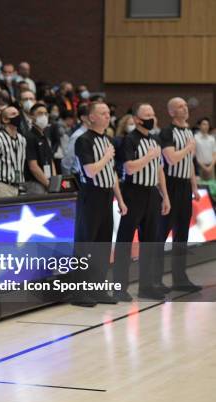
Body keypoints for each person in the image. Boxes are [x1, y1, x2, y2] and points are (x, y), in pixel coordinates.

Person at [113, 103, 171, 301]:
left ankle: (146, 286)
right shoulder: (129, 140)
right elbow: (129, 168)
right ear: (137, 119)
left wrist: (165, 196)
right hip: (133, 193)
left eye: (153, 114)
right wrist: (148, 157)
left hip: (152, 193)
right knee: (125, 242)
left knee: (150, 242)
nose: (151, 117)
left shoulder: (155, 140)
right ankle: (120, 288)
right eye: (147, 114)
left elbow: (160, 170)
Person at [73, 102, 127, 307]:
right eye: (102, 113)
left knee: (103, 245)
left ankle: (98, 288)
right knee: (86, 243)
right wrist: (106, 156)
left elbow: (112, 174)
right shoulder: (83, 140)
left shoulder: (107, 140)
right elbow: (91, 171)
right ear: (91, 117)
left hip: (106, 197)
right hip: (91, 196)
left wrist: (120, 199)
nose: (107, 116)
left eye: (108, 113)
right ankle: (79, 292)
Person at [153, 97, 202, 294]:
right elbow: (171, 159)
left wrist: (195, 186)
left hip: (184, 187)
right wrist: (189, 148)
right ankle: (154, 279)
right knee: (162, 234)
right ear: (172, 112)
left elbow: (188, 162)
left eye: (185, 105)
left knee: (182, 235)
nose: (185, 108)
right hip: (170, 186)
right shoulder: (166, 132)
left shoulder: (189, 131)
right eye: (180, 106)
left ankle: (180, 278)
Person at [0, 106, 26, 198]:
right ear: (5, 119)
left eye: (18, 114)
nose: (17, 116)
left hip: (18, 186)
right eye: (13, 114)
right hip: (2, 186)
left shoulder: (22, 140)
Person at [25, 102, 57, 194]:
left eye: (45, 113)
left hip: (48, 182)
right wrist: (48, 184)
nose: (44, 116)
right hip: (35, 184)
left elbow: (51, 161)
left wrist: (54, 182)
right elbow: (33, 166)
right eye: (40, 113)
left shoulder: (44, 136)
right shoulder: (29, 137)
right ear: (32, 117)